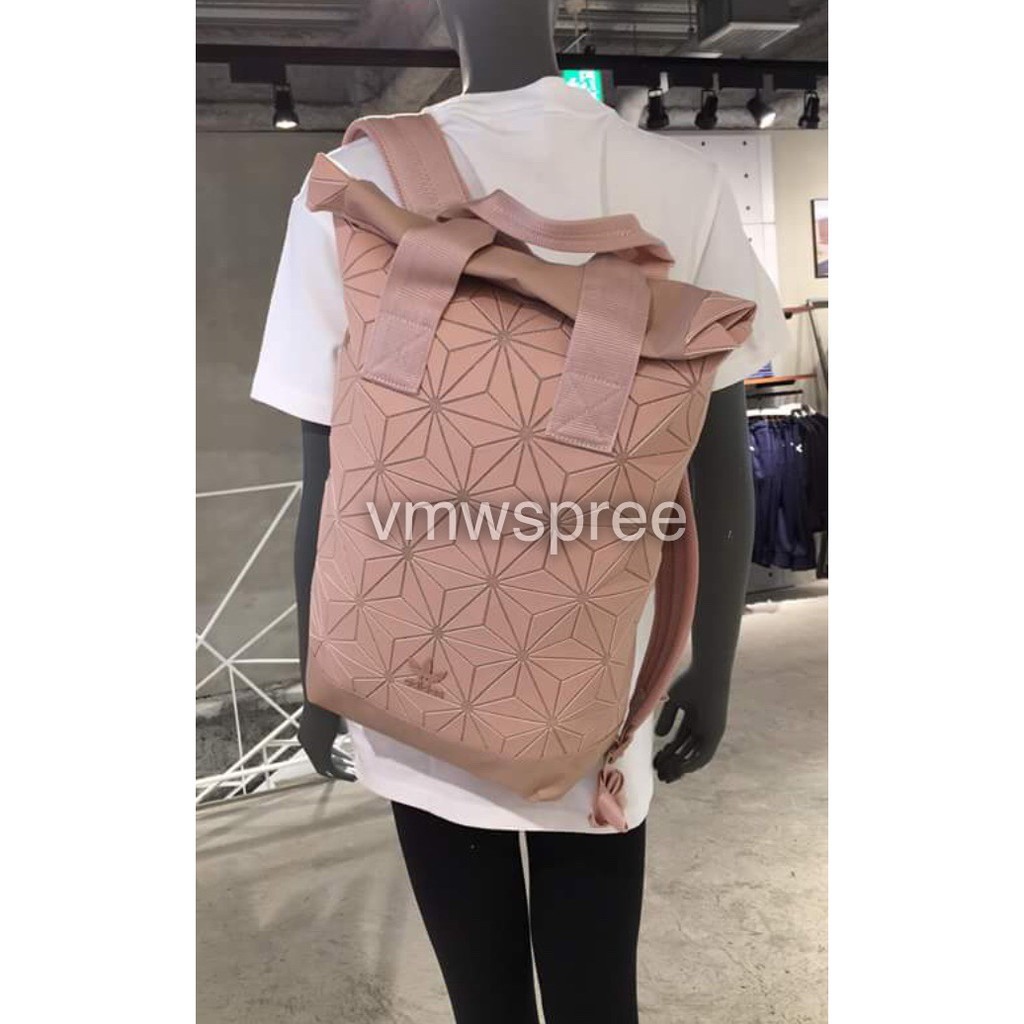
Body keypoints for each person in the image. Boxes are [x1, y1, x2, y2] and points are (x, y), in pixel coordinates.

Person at [251, 2, 789, 1020]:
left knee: (482, 1000)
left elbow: (329, 469)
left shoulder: (357, 182)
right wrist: (705, 663)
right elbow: (722, 467)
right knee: (597, 997)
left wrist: (320, 672)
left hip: (403, 671)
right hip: (594, 684)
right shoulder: (676, 184)